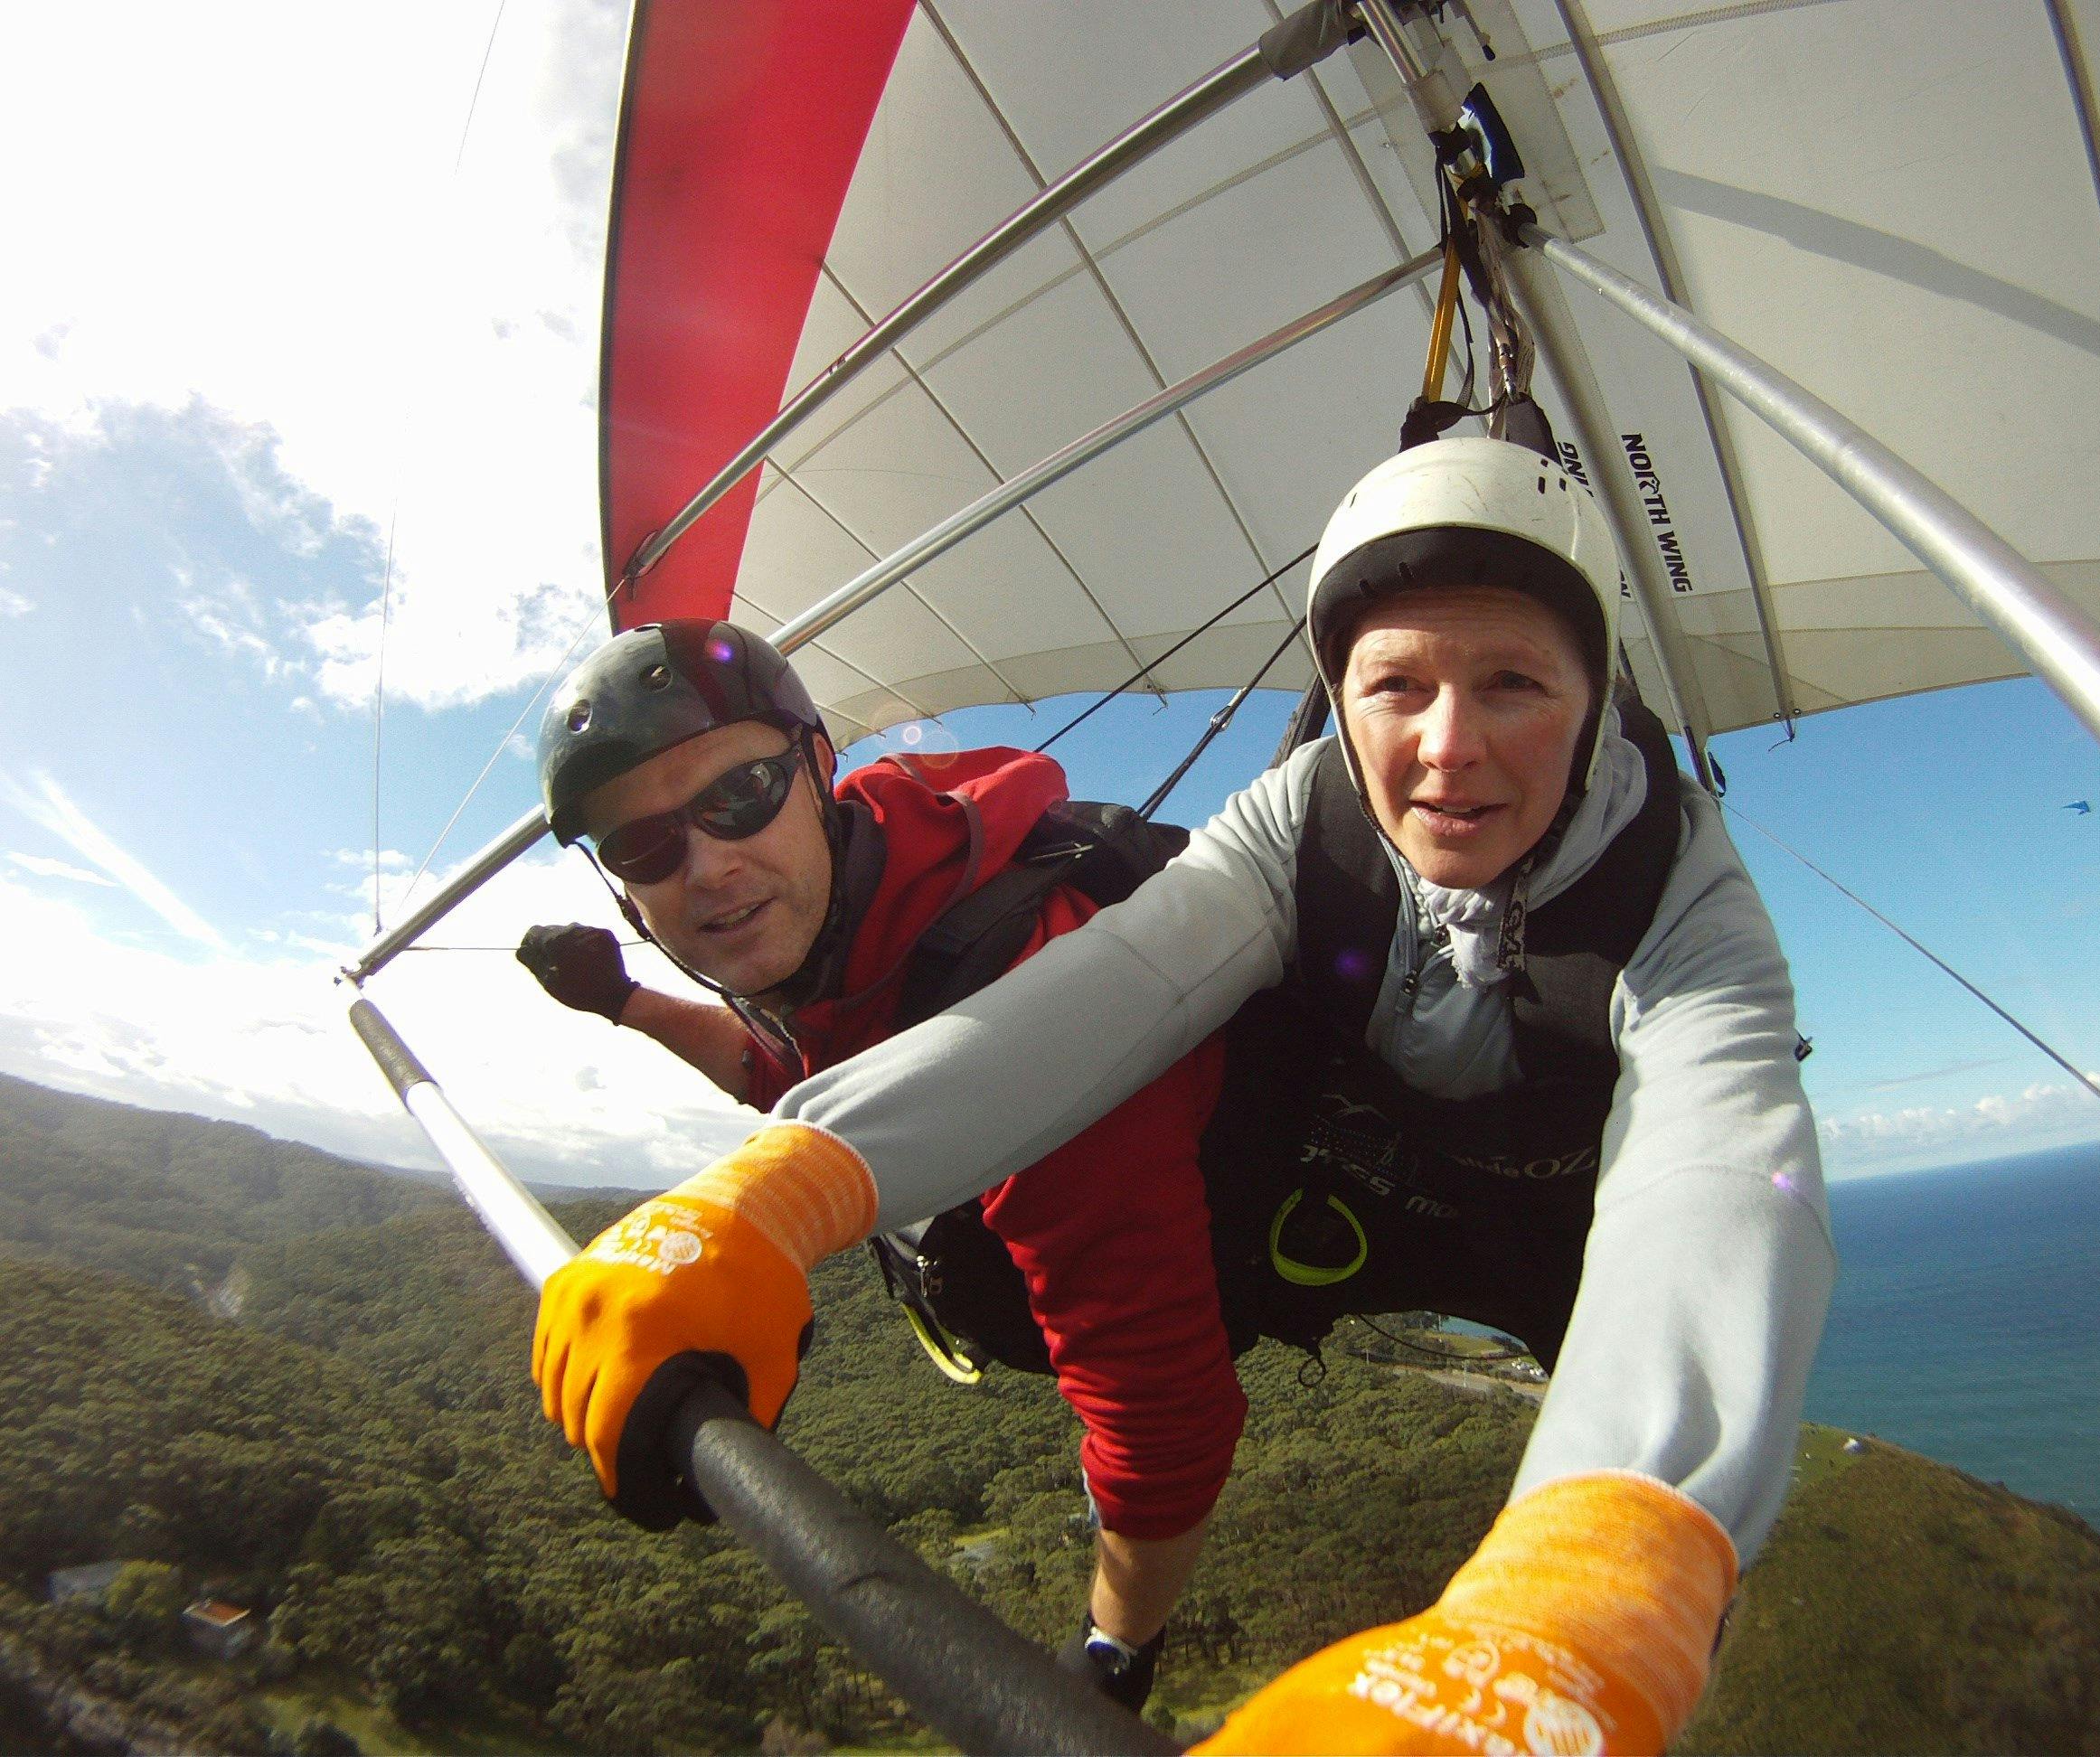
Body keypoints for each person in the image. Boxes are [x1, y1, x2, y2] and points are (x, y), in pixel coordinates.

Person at [533, 437, 1834, 1752]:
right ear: (1340, 692)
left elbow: (1713, 1175)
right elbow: (1109, 988)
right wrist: (768, 1196)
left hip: (1567, 1234)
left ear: (1598, 691)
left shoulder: (1685, 904)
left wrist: (1584, 1596)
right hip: (1364, 1188)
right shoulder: (1302, 820)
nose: (1449, 750)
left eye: (1514, 683)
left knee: (1679, 1612)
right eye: (1395, 685)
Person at [518, 618, 1241, 1709]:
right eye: (645, 848)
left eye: (739, 796)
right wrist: (626, 1001)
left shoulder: (1028, 979)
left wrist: (1114, 1654)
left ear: (820, 769)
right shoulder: (857, 919)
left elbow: (1164, 1413)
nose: (708, 864)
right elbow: (789, 1073)